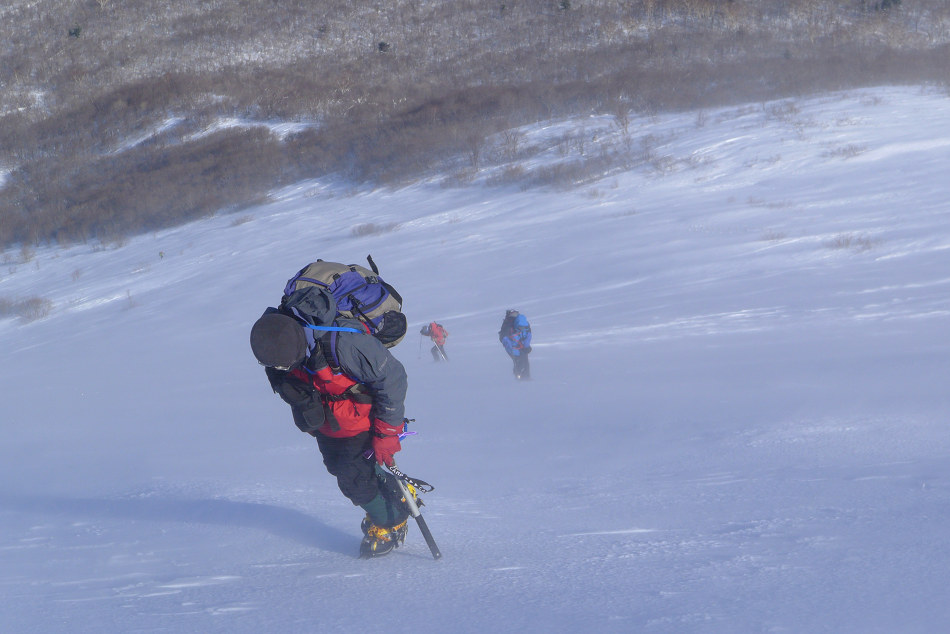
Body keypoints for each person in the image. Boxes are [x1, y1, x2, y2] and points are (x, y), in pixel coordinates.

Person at [250, 285, 414, 558]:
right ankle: (391, 492)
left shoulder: (344, 345)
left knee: (354, 481)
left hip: (360, 420)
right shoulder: (273, 336)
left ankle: (392, 520)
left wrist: (387, 433)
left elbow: (393, 378)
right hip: (329, 422)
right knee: (340, 468)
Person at [498, 309, 532, 380]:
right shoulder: (522, 322)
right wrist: (527, 346)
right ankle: (526, 377)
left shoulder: (508, 322)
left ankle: (519, 377)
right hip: (523, 345)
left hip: (514, 346)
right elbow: (528, 334)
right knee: (524, 360)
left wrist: (511, 348)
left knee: (517, 360)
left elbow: (504, 337)